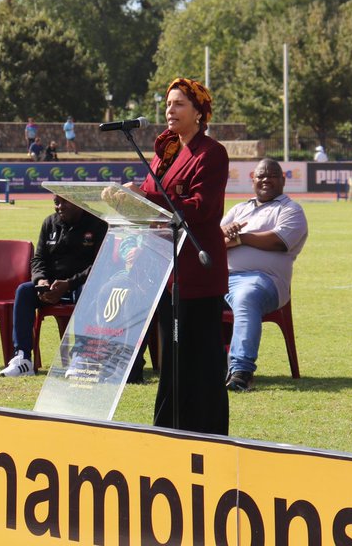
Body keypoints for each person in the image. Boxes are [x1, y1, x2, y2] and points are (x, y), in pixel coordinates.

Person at [128, 77, 229, 435]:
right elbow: (150, 194)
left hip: (197, 272)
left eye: (179, 104)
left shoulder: (212, 153)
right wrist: (132, 199)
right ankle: (168, 431)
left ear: (199, 113)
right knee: (171, 361)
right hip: (163, 270)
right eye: (169, 104)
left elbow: (201, 208)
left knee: (200, 360)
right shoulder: (165, 151)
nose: (170, 110)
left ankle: (207, 433)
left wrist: (146, 201)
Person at [221, 158, 309, 391]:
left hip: (263, 281)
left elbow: (278, 241)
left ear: (283, 180)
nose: (265, 180)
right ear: (253, 179)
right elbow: (214, 239)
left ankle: (242, 371)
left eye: (271, 175)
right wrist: (226, 237)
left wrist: (240, 237)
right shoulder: (239, 208)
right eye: (261, 176)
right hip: (223, 278)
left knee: (246, 297)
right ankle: (204, 365)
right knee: (188, 294)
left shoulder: (291, 210)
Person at [0, 195, 109, 376]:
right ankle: (23, 359)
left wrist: (69, 284)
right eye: (56, 202)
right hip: (52, 286)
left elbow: (101, 264)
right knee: (24, 291)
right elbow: (38, 259)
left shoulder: (97, 224)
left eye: (64, 201)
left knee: (89, 290)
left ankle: (82, 357)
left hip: (81, 284)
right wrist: (41, 281)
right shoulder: (50, 223)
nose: (59, 207)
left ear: (77, 201)